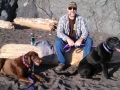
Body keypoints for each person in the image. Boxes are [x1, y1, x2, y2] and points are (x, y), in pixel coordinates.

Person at [55, 1, 93, 71]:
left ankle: (84, 63)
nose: (72, 10)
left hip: (77, 40)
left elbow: (85, 32)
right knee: (58, 41)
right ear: (67, 9)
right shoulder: (62, 19)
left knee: (89, 40)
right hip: (67, 41)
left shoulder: (81, 19)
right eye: (70, 8)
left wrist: (81, 39)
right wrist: (67, 39)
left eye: (74, 8)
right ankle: (61, 63)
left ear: (76, 9)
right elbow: (59, 32)